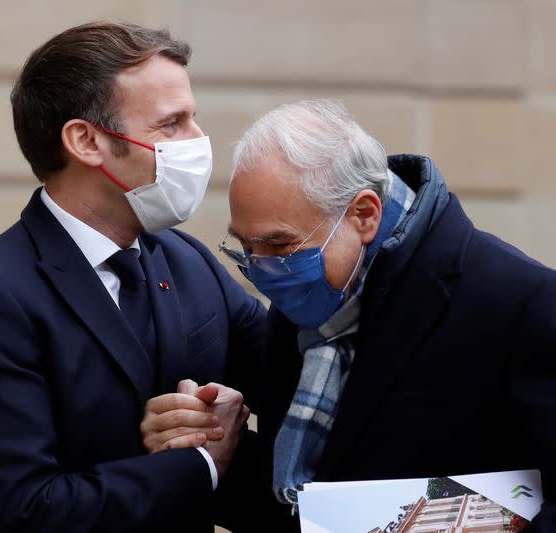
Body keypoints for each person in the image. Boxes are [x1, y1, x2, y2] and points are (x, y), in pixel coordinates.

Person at [0, 21, 270, 533]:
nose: (196, 141)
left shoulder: (185, 259)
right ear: (86, 141)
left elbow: (291, 378)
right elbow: (25, 511)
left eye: (192, 119)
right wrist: (196, 463)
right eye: (171, 124)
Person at [216, 99, 555, 530]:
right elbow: (309, 507)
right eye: (246, 248)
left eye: (280, 246)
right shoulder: (311, 297)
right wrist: (217, 456)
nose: (263, 269)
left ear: (365, 215)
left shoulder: (523, 302)